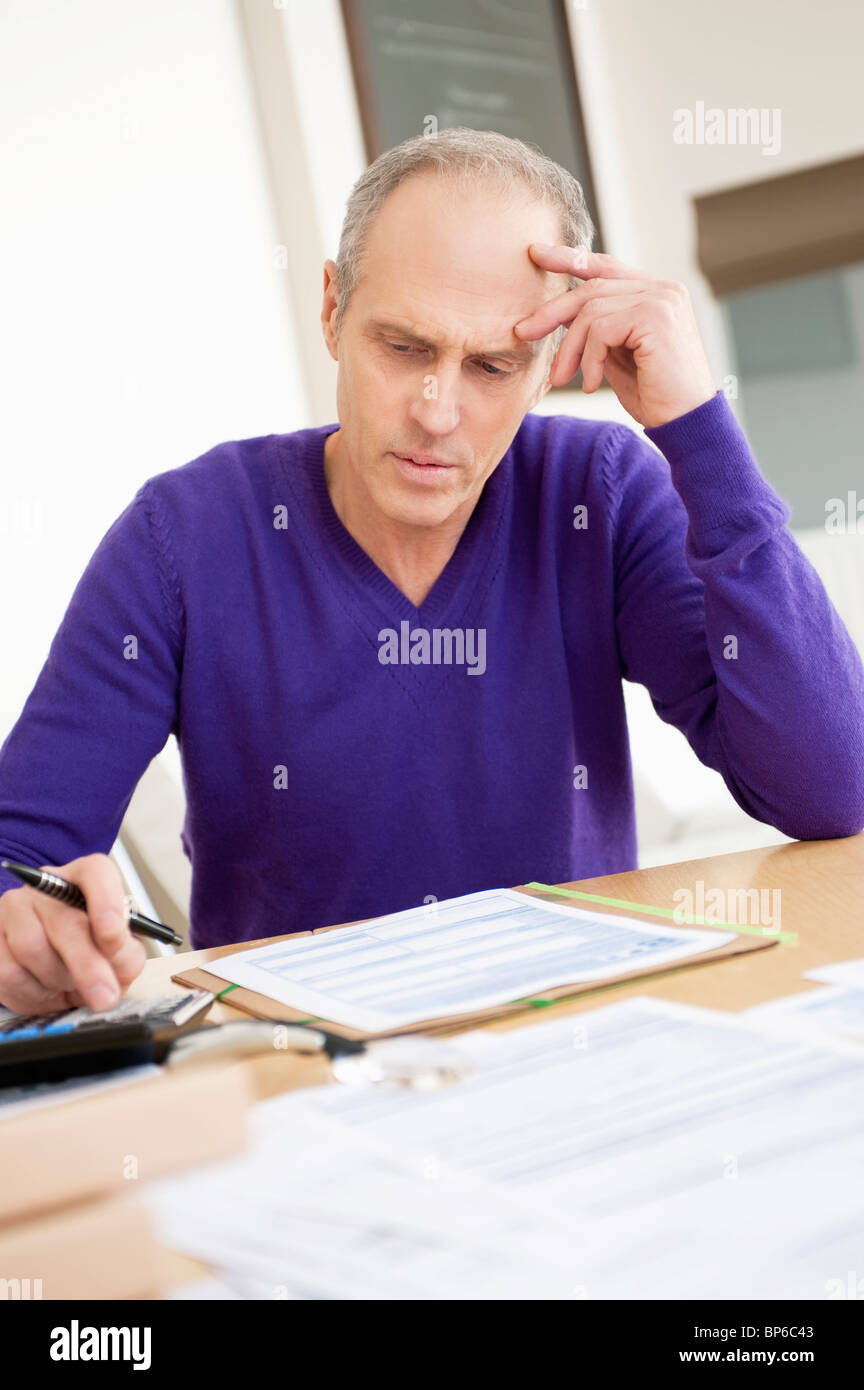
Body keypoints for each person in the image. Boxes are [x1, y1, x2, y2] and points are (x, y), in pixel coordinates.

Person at [1, 128, 862, 1016]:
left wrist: (697, 427)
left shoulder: (599, 496)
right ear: (332, 308)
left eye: (492, 365)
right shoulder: (182, 535)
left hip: (568, 1042)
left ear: (550, 369)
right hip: (300, 1067)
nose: (437, 412)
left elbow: (836, 788)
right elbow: (19, 853)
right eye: (405, 347)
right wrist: (28, 930)